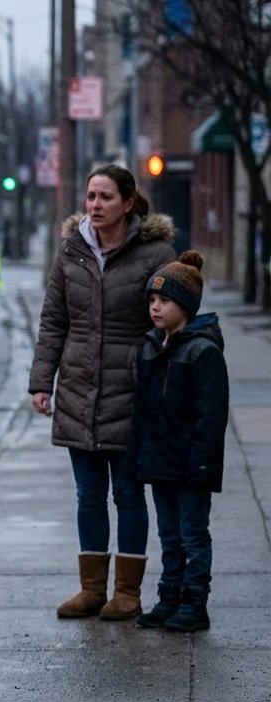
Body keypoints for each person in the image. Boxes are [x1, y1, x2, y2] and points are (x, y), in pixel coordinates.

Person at [30, 164, 176, 621]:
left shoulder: (155, 253)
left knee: (129, 495)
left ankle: (127, 593)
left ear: (128, 203)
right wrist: (41, 381)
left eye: (106, 197)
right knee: (88, 495)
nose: (95, 205)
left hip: (131, 390)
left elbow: (171, 320)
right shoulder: (71, 252)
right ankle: (92, 589)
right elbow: (54, 320)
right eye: (91, 196)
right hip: (77, 388)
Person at [129, 251, 228, 632]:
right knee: (169, 535)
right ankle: (169, 596)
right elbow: (143, 409)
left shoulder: (202, 351)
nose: (155, 308)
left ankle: (194, 602)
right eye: (152, 301)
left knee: (193, 534)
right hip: (160, 460)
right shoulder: (152, 347)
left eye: (164, 301)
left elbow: (211, 416)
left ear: (185, 305)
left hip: (190, 464)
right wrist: (138, 455)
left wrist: (201, 464)